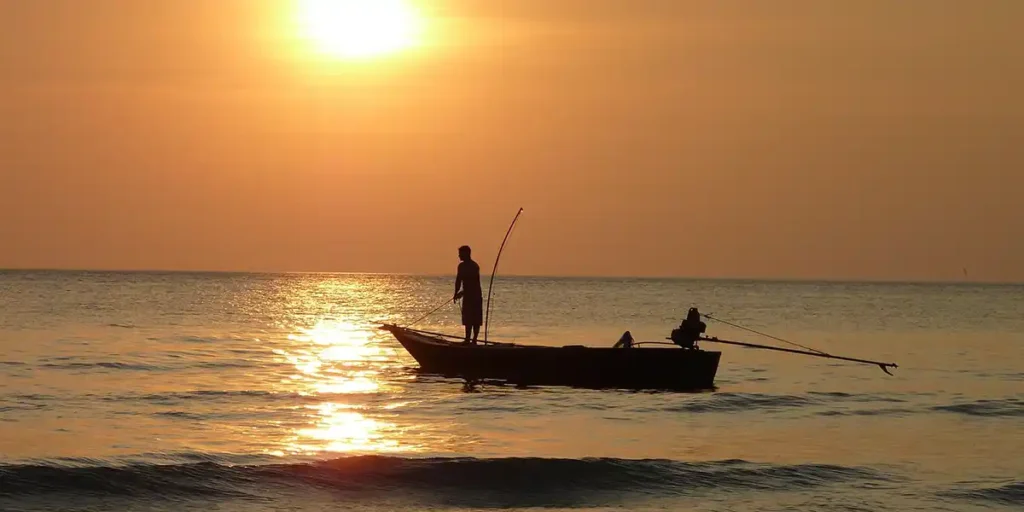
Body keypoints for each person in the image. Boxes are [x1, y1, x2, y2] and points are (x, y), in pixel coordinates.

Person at [453, 245, 483, 344]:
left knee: (475, 319)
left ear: (467, 253)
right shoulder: (461, 266)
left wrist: (461, 292)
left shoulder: (474, 266)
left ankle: (473, 340)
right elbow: (458, 280)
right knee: (467, 318)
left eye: (460, 254)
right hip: (467, 295)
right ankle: (467, 339)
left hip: (475, 295)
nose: (459, 256)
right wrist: (456, 293)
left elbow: (473, 283)